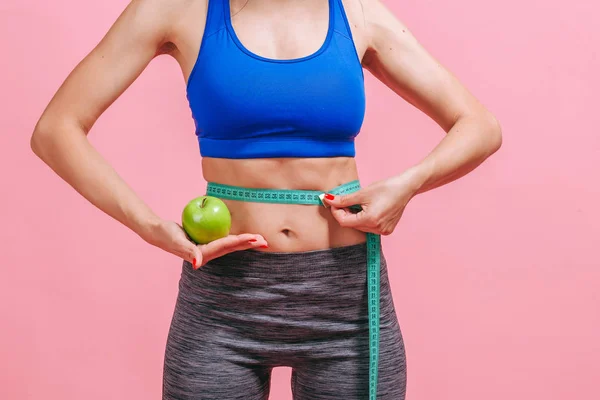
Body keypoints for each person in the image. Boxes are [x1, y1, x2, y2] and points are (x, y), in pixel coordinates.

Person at [30, 0, 502, 398]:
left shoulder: (357, 13)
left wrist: (408, 185)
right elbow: (56, 131)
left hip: (345, 301)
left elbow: (480, 126)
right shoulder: (176, 8)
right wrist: (151, 227)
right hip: (222, 302)